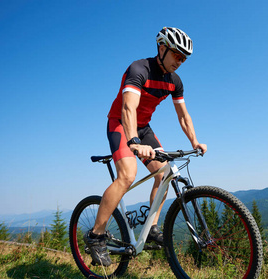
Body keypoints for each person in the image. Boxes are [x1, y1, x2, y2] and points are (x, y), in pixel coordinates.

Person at [84, 27, 207, 266]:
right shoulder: (139, 69)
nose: (180, 62)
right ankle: (96, 236)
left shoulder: (175, 81)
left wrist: (194, 141)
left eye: (184, 58)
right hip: (120, 123)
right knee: (128, 175)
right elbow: (128, 108)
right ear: (162, 48)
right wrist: (134, 143)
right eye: (177, 55)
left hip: (143, 128)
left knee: (164, 174)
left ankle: (151, 227)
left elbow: (183, 116)